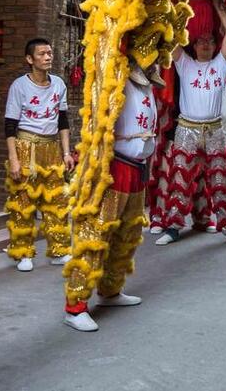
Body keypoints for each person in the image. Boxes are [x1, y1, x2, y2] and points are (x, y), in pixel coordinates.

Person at [63, 73, 158, 332]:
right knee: (96, 234)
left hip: (137, 168)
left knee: (128, 232)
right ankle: (75, 306)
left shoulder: (148, 84)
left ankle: (111, 290)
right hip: (114, 167)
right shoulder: (117, 77)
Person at [156, 0, 226, 246]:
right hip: (186, 130)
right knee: (179, 179)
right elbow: (172, 38)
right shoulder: (184, 64)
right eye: (201, 41)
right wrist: (180, 8)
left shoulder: (221, 64)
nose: (206, 44)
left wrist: (218, 10)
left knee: (220, 179)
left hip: (214, 131)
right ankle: (172, 228)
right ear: (193, 45)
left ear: (215, 44)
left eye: (210, 41)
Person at [4, 38, 75, 272]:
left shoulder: (59, 84)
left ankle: (59, 250)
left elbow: (63, 120)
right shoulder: (19, 86)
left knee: (57, 200)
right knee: (23, 201)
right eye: (42, 54)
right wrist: (14, 159)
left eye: (49, 53)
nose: (47, 57)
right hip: (26, 146)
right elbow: (10, 125)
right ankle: (23, 252)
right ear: (29, 59)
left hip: (52, 147)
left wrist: (66, 152)